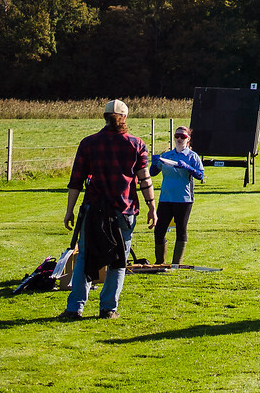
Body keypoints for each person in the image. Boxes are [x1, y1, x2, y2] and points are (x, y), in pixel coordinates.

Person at [61, 100, 156, 321]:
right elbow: (144, 180)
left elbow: (75, 181)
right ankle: (108, 309)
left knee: (84, 257)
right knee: (118, 260)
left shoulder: (88, 143)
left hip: (93, 210)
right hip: (124, 210)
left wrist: (69, 211)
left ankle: (74, 308)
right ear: (125, 118)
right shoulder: (137, 144)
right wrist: (152, 207)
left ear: (104, 117)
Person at [152, 126, 205, 266]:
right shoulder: (167, 155)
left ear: (188, 139)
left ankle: (176, 263)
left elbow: (200, 175)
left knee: (181, 230)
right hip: (165, 198)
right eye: (177, 136)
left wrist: (188, 168)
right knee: (159, 230)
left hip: (183, 199)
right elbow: (153, 173)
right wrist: (154, 163)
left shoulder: (193, 156)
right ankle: (160, 262)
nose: (180, 139)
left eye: (183, 136)